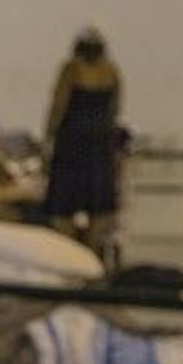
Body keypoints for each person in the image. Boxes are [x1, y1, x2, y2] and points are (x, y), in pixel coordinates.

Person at [43, 28, 124, 252]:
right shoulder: (111, 70)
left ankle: (67, 250)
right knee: (99, 203)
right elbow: (115, 108)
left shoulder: (71, 69)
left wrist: (48, 135)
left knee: (64, 202)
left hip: (73, 139)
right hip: (101, 140)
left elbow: (58, 105)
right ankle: (93, 250)